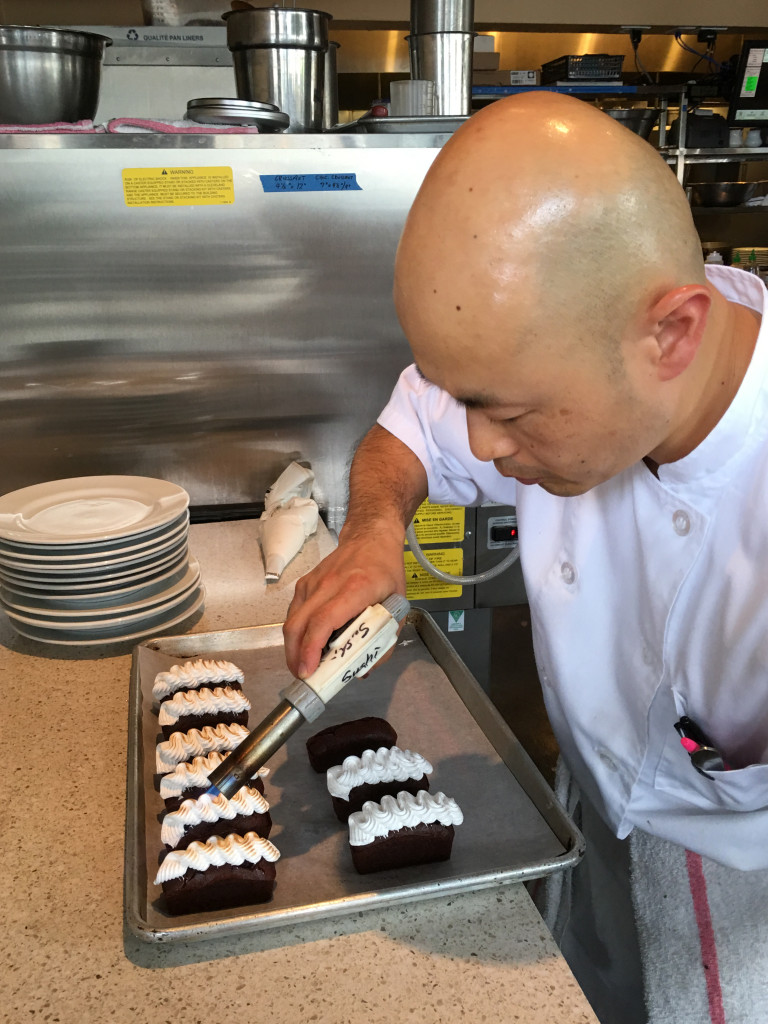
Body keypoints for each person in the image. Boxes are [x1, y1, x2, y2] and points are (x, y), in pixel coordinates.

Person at [283, 92, 768, 1023]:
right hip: (586, 814)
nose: (485, 448)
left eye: (509, 414)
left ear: (672, 334)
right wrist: (373, 531)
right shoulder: (573, 348)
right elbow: (412, 425)